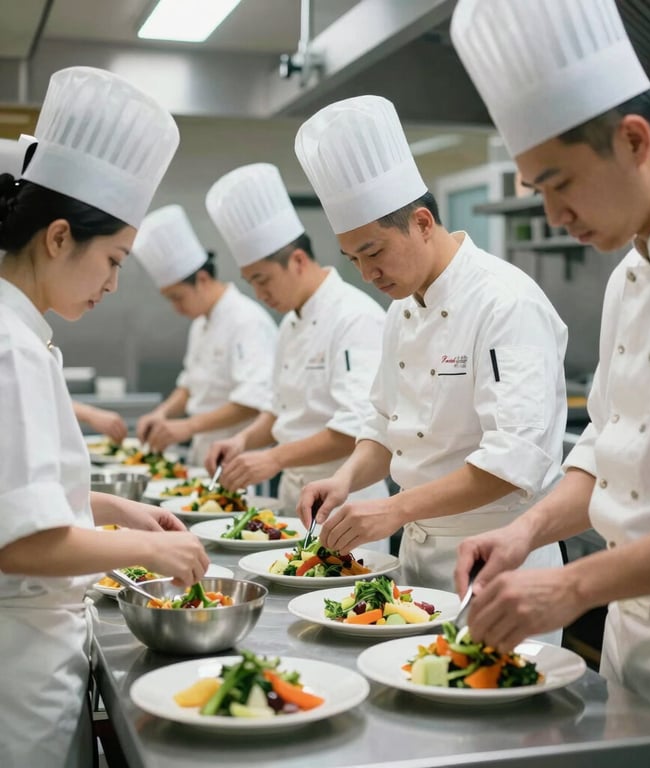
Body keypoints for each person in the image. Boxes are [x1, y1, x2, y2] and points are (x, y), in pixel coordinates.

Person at [451, 1, 650, 765]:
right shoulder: (630, 273)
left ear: (633, 140)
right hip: (630, 634)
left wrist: (570, 588)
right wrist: (525, 532)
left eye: (559, 183)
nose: (553, 214)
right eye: (536, 190)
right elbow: (604, 444)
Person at [0, 68, 209, 768]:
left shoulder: (21, 333)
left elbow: (18, 495)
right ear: (60, 237)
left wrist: (111, 508)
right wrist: (150, 551)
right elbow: (19, 546)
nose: (114, 284)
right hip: (19, 678)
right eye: (113, 260)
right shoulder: (11, 347)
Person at [293, 95, 568, 615]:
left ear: (422, 223)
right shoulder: (402, 308)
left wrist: (394, 508)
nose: (367, 274)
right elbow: (383, 424)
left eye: (374, 252)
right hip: (415, 560)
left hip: (497, 562)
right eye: (353, 260)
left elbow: (512, 462)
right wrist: (344, 480)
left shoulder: (505, 302)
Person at [203, 164, 390, 541]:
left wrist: (273, 458)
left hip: (346, 501)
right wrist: (243, 441)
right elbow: (279, 410)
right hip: (295, 496)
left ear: (299, 261)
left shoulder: (355, 317)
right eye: (251, 283)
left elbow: (355, 429)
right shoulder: (290, 323)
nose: (260, 295)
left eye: (264, 280)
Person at [132, 204, 278, 466]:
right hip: (204, 450)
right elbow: (189, 385)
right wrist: (162, 413)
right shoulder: (201, 324)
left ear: (202, 280)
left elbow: (253, 400)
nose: (176, 308)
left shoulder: (247, 321)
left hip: (239, 456)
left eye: (178, 297)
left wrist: (187, 426)